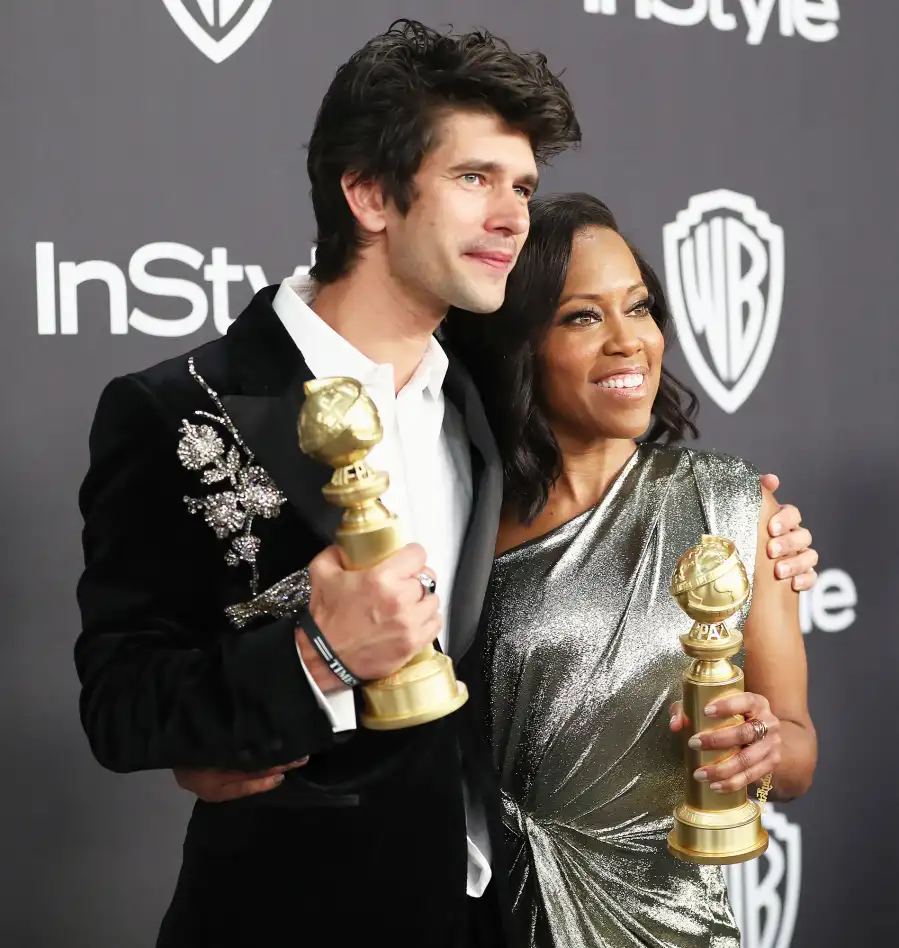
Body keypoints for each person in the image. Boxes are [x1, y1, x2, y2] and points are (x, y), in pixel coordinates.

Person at [74, 20, 580, 948]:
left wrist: (753, 532)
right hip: (289, 915)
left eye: (521, 187)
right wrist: (319, 658)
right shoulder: (179, 408)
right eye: (474, 178)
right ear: (368, 194)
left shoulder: (480, 398)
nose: (513, 216)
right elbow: (122, 705)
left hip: (490, 914)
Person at [441, 192, 818, 947]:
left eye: (638, 307)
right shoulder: (455, 513)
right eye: (583, 316)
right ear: (519, 345)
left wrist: (766, 749)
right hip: (486, 913)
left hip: (673, 924)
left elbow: (798, 754)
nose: (629, 341)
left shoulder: (732, 505)